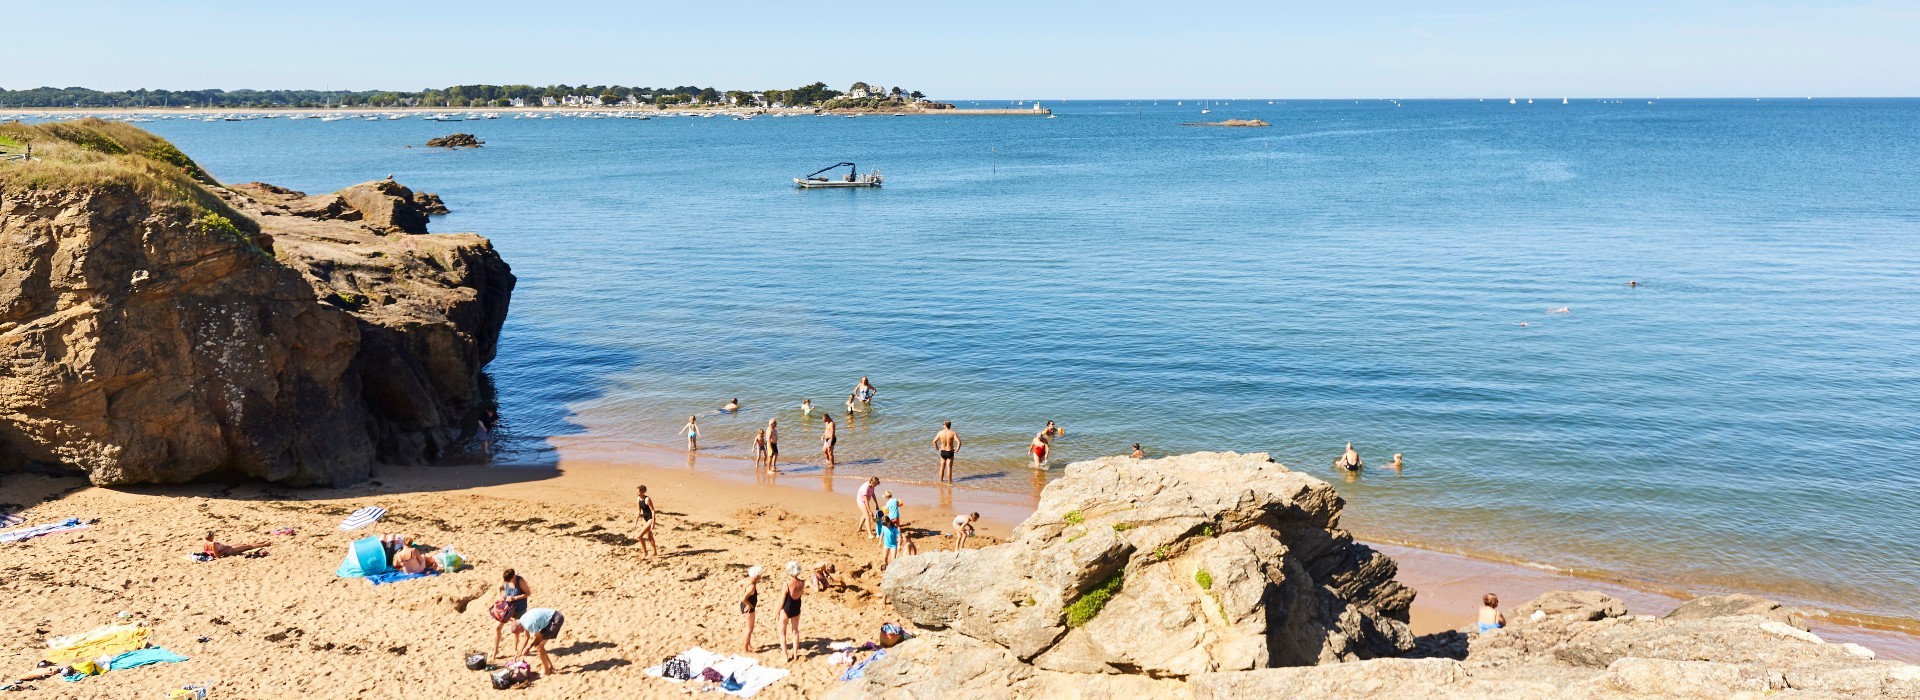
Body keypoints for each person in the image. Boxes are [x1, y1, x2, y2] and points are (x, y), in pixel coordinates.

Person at [510, 607, 565, 676]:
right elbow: (526, 637)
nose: (519, 634)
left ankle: (546, 671)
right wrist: (519, 652)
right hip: (550, 619)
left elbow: (538, 637)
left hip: (556, 619)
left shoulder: (528, 624)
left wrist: (528, 647)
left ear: (519, 627)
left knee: (539, 647)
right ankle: (550, 667)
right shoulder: (522, 620)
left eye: (517, 632)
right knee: (539, 646)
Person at [492, 569, 532, 659]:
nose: (507, 582)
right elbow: (498, 587)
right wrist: (499, 596)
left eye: (509, 580)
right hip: (507, 607)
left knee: (516, 631)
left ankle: (515, 649)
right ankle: (495, 650)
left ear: (513, 577)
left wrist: (515, 597)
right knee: (497, 627)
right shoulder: (505, 579)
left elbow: (528, 593)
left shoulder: (520, 581)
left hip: (519, 607)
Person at [779, 561, 806, 661]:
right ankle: (795, 655)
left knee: (782, 633)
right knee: (795, 631)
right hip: (796, 608)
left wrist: (776, 611)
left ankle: (785, 656)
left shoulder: (787, 584)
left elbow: (782, 601)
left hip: (787, 608)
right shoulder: (802, 583)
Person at [740, 565, 763, 653]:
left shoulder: (746, 579)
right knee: (749, 629)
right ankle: (745, 648)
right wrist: (749, 605)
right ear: (756, 577)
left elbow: (738, 584)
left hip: (743, 605)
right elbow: (743, 599)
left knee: (749, 628)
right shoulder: (752, 586)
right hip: (748, 608)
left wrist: (742, 591)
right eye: (760, 575)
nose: (761, 577)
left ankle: (748, 645)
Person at [879, 492, 903, 568]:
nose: (885, 526)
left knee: (893, 560)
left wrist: (899, 545)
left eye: (886, 524)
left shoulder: (894, 528)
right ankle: (886, 566)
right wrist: (880, 542)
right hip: (886, 544)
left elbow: (899, 537)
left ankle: (891, 569)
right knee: (884, 558)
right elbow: (882, 533)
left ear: (889, 522)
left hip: (893, 546)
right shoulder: (884, 527)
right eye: (884, 525)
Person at [202, 531, 268, 558]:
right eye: (213, 535)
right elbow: (217, 556)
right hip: (229, 550)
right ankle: (265, 544)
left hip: (228, 547)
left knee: (244, 544)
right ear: (211, 537)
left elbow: (207, 551)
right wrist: (226, 549)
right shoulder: (212, 544)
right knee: (248, 546)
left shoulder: (205, 542)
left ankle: (262, 542)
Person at [635, 485, 659, 557]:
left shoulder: (647, 499)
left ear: (643, 492)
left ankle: (645, 552)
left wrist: (653, 523)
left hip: (650, 519)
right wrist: (635, 522)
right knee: (649, 536)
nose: (637, 493)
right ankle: (654, 552)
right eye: (636, 492)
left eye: (638, 492)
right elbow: (638, 510)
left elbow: (653, 511)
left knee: (639, 536)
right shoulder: (638, 499)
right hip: (645, 519)